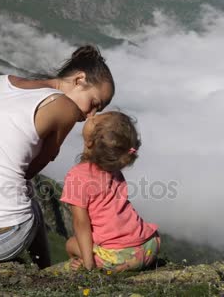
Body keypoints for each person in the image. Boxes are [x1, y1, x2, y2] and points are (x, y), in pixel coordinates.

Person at [0, 45, 115, 268]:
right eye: (94, 104)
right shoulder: (65, 108)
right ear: (79, 79)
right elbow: (30, 171)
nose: (91, 115)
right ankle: (43, 269)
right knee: (29, 197)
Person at [61, 111, 160, 272]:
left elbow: (81, 223)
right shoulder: (113, 167)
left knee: (71, 244)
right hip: (149, 245)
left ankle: (89, 264)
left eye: (94, 120)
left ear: (91, 141)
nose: (91, 115)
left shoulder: (77, 176)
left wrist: (88, 264)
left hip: (120, 255)